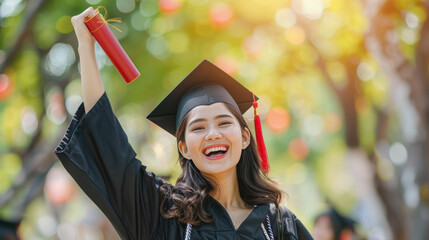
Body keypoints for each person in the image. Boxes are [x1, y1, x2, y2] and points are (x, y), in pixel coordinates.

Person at [55, 7, 314, 240]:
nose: (212, 134)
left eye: (224, 123)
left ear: (245, 137)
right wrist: (86, 47)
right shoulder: (164, 215)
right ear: (184, 148)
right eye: (198, 127)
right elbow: (108, 143)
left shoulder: (278, 224)